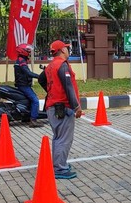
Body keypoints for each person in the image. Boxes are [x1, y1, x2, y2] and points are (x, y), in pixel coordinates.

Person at [44, 40, 82, 179]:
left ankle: (58, 164)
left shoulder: (50, 66)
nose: (68, 50)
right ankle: (59, 168)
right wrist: (76, 106)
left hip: (53, 106)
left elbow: (43, 80)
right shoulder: (62, 65)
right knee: (64, 139)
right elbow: (68, 87)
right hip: (62, 107)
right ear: (62, 50)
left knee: (58, 137)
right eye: (66, 48)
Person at [14, 44, 43, 128]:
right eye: (28, 51)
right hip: (23, 85)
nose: (29, 52)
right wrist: (39, 76)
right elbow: (28, 73)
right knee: (35, 100)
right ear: (23, 51)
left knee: (30, 100)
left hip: (23, 84)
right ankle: (33, 120)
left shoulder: (21, 60)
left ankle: (26, 117)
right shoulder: (21, 61)